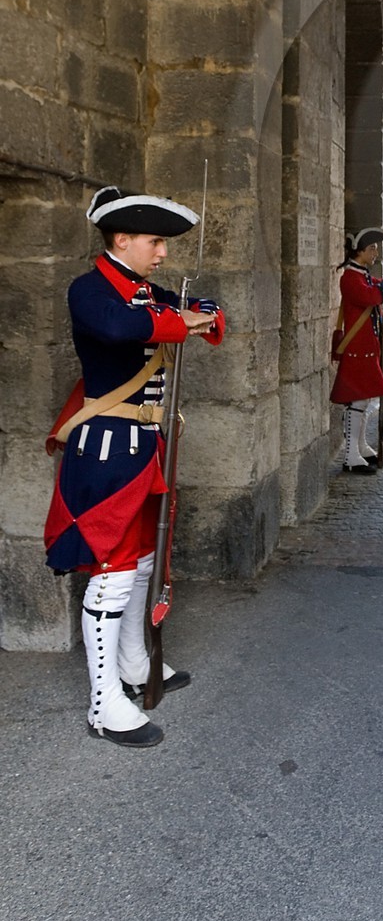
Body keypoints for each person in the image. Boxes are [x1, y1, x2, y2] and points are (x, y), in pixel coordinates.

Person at [44, 186, 225, 749]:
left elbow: (212, 321)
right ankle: (104, 703)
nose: (164, 253)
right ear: (121, 240)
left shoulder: (146, 292)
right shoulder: (92, 290)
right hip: (106, 444)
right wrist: (183, 320)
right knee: (113, 570)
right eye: (155, 242)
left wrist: (197, 315)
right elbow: (124, 330)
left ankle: (133, 663)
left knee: (143, 560)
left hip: (146, 444)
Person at [330, 228, 383, 472]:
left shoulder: (362, 274)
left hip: (367, 346)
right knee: (357, 400)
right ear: (359, 251)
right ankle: (350, 455)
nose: (375, 252)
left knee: (365, 397)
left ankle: (360, 446)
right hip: (357, 348)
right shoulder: (350, 277)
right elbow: (369, 296)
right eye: (371, 248)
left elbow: (376, 287)